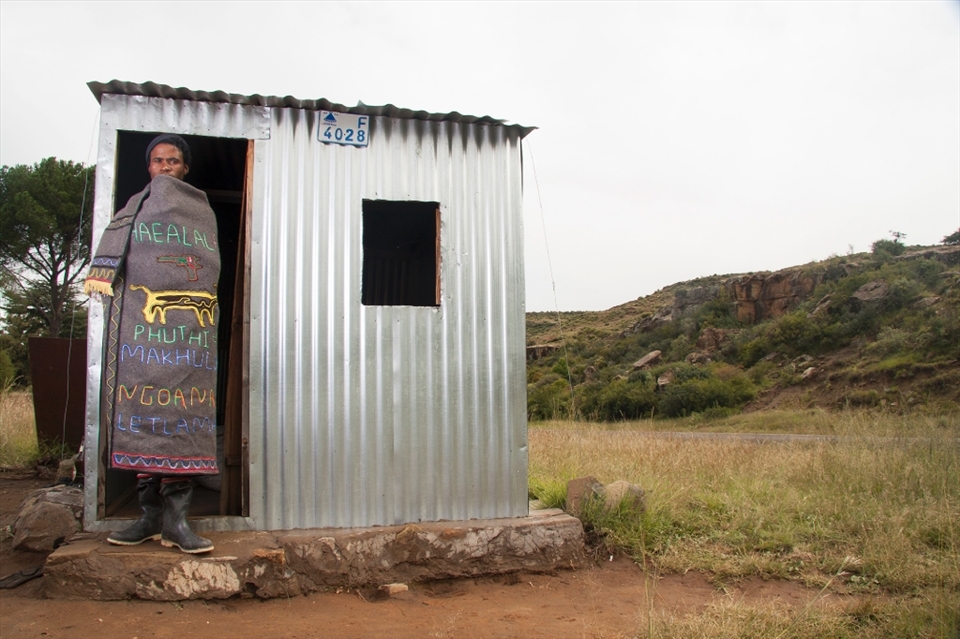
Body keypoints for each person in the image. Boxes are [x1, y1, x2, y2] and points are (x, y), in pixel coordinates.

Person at [85, 134, 220, 554]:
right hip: (141, 336)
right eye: (158, 161)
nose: (165, 167)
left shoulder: (200, 211)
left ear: (185, 168)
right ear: (148, 167)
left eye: (173, 161)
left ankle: (176, 524)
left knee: (182, 419)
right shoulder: (132, 212)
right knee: (142, 418)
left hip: (188, 340)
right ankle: (148, 519)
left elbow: (205, 266)